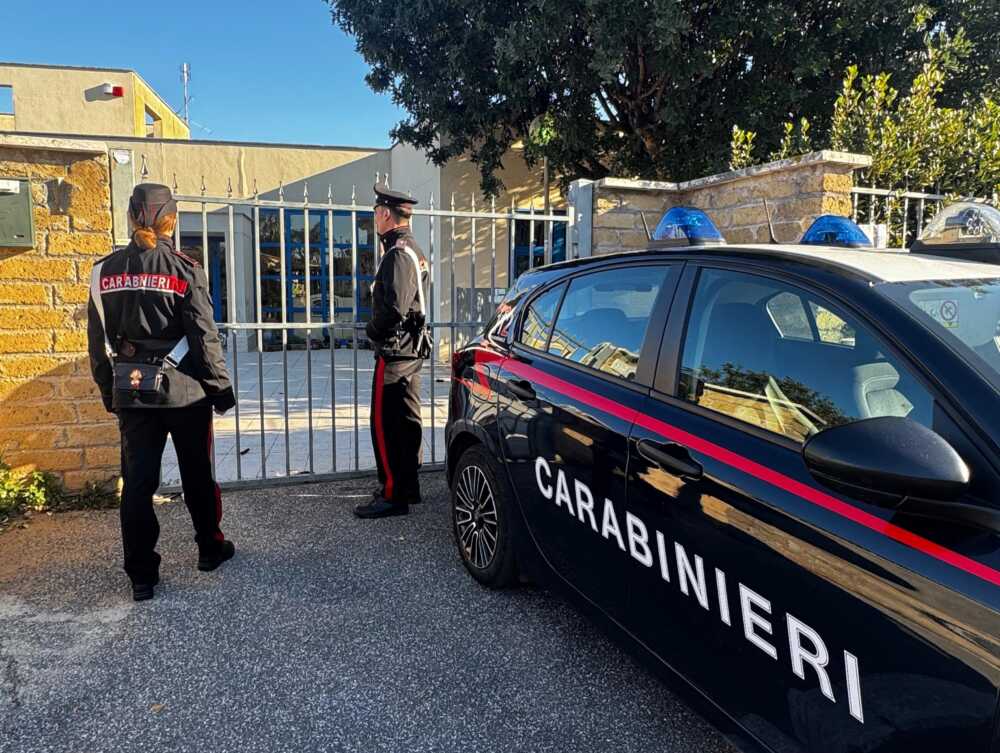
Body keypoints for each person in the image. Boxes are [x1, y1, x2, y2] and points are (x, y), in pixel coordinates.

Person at [87, 183, 237, 602]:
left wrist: (108, 391)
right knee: (197, 476)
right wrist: (221, 390)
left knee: (137, 482)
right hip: (186, 392)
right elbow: (205, 339)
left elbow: (96, 346)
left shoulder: (103, 272)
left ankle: (141, 576)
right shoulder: (186, 268)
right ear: (172, 219)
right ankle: (210, 548)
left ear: (132, 217)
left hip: (132, 393)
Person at [354, 183, 431, 519]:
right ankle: (407, 486)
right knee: (406, 421)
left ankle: (392, 494)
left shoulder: (398, 252)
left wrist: (372, 331)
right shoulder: (412, 248)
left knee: (385, 425)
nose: (374, 217)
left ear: (385, 213)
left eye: (375, 212)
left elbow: (396, 307)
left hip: (396, 351)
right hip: (409, 350)